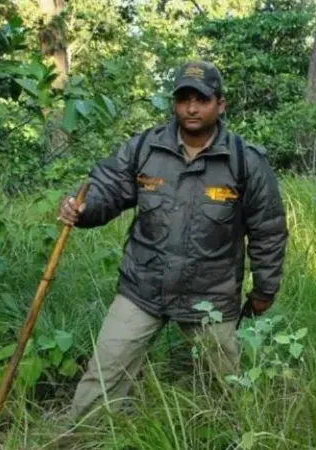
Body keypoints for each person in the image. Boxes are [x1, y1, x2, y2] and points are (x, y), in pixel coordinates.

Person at [56, 60, 288, 419]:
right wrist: (81, 208)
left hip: (211, 295)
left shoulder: (245, 161)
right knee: (101, 380)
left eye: (202, 99)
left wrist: (264, 290)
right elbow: (106, 188)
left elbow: (268, 229)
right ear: (174, 103)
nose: (191, 108)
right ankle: (77, 437)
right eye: (183, 99)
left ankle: (245, 436)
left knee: (233, 389)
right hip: (142, 287)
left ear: (220, 104)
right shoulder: (145, 148)